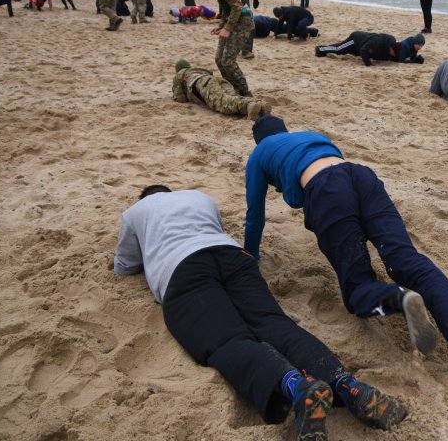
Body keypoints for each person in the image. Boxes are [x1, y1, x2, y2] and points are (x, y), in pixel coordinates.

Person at [114, 185, 408, 441]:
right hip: (232, 256)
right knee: (274, 324)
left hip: (183, 270)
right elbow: (215, 229)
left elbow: (125, 265)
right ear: (170, 191)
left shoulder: (135, 211)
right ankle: (348, 385)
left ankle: (297, 386)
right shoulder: (198, 197)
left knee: (226, 340)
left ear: (145, 197)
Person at [246, 116, 448, 379]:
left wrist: (251, 255)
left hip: (327, 193)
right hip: (361, 177)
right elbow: (332, 173)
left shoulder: (259, 153)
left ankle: (397, 299)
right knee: (405, 261)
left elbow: (256, 215)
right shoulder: (310, 136)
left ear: (259, 141)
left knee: (356, 289)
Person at [187, 0, 253, 97]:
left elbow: (237, 6)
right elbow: (225, 6)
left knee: (228, 61)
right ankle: (232, 90)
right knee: (219, 59)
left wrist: (227, 29)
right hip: (232, 19)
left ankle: (245, 94)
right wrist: (222, 24)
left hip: (243, 20)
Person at [172, 59, 270, 119]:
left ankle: (249, 104)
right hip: (217, 80)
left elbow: (180, 98)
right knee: (232, 98)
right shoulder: (198, 71)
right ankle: (259, 104)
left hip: (204, 83)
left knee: (223, 103)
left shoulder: (181, 74)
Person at [315, 32, 425, 65]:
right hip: (356, 40)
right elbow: (363, 50)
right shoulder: (377, 42)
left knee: (341, 52)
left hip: (361, 47)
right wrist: (368, 63)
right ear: (390, 49)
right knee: (339, 49)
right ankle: (320, 49)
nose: (392, 55)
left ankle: (322, 50)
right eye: (392, 53)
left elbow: (396, 59)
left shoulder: (390, 47)